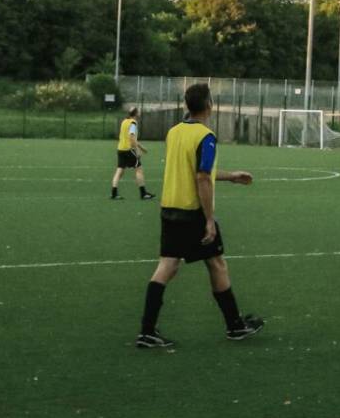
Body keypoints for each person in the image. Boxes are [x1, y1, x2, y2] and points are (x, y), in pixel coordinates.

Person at [134, 83, 262, 349]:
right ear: (209, 106)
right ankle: (235, 326)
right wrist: (209, 219)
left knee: (167, 266)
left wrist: (230, 176)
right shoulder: (206, 136)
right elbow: (202, 177)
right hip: (192, 212)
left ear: (187, 105)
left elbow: (194, 169)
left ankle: (146, 331)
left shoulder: (174, 132)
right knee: (217, 263)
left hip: (169, 208)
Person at [111, 105, 154, 201]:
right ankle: (143, 194)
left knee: (119, 171)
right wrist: (137, 150)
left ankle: (114, 193)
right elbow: (131, 138)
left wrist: (141, 147)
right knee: (139, 169)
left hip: (120, 149)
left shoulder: (124, 122)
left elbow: (130, 138)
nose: (139, 113)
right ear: (136, 113)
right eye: (138, 112)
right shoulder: (133, 123)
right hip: (128, 149)